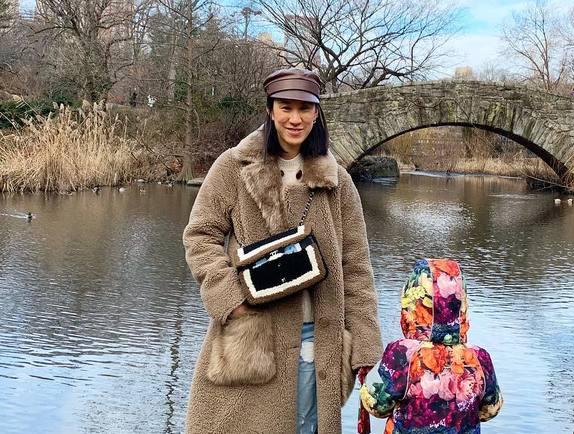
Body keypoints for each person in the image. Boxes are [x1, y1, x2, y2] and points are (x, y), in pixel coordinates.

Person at [182, 67, 383, 434]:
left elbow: (356, 266)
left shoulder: (338, 182)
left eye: (304, 108)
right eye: (285, 107)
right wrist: (231, 299)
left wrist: (365, 342)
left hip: (318, 338)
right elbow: (200, 237)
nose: (295, 118)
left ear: (316, 113)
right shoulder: (233, 167)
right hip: (251, 334)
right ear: (270, 110)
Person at [359, 259, 503, 434]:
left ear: (412, 303)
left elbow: (376, 405)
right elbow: (490, 409)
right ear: (461, 303)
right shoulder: (479, 358)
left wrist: (370, 375)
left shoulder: (402, 354)